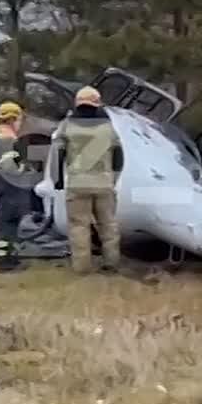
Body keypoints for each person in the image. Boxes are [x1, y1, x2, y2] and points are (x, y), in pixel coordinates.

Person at [52, 86, 124, 276]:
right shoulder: (108, 127)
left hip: (77, 184)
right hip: (104, 184)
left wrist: (58, 180)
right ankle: (111, 264)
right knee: (108, 225)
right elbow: (119, 155)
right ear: (97, 103)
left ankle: (82, 268)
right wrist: (114, 178)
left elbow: (58, 153)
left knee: (79, 226)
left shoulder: (67, 125)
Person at [0, 100, 37, 273]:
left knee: (4, 224)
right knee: (9, 225)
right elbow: (10, 167)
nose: (21, 123)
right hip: (8, 187)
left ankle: (8, 259)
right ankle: (7, 263)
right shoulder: (8, 138)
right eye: (20, 119)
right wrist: (25, 168)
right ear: (13, 118)